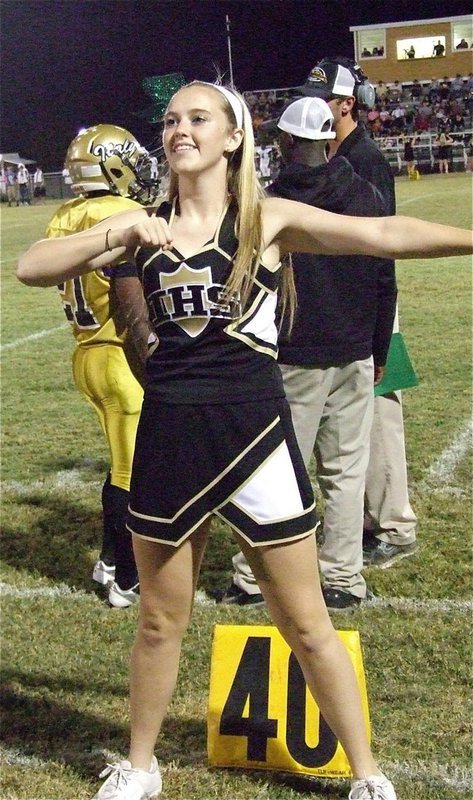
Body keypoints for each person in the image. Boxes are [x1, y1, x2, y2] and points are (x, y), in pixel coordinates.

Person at [16, 80, 473, 800]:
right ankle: (140, 766)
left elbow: (381, 236)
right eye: (170, 119)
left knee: (306, 623)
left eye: (198, 118)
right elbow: (31, 266)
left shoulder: (267, 219)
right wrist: (120, 233)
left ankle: (368, 776)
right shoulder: (144, 224)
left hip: (256, 433)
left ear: (233, 137)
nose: (178, 129)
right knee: (160, 619)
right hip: (168, 434)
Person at [224, 70, 395, 612]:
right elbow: (384, 277)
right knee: (345, 472)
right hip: (354, 350)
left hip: (293, 357)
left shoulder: (271, 205)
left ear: (290, 141)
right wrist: (379, 351)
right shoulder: (365, 194)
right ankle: (342, 577)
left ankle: (256, 581)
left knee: (271, 472)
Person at [45, 124, 157, 608]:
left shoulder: (64, 216)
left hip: (86, 353)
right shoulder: (122, 212)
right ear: (114, 166)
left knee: (120, 466)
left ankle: (110, 560)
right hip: (119, 353)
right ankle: (128, 580)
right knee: (135, 473)